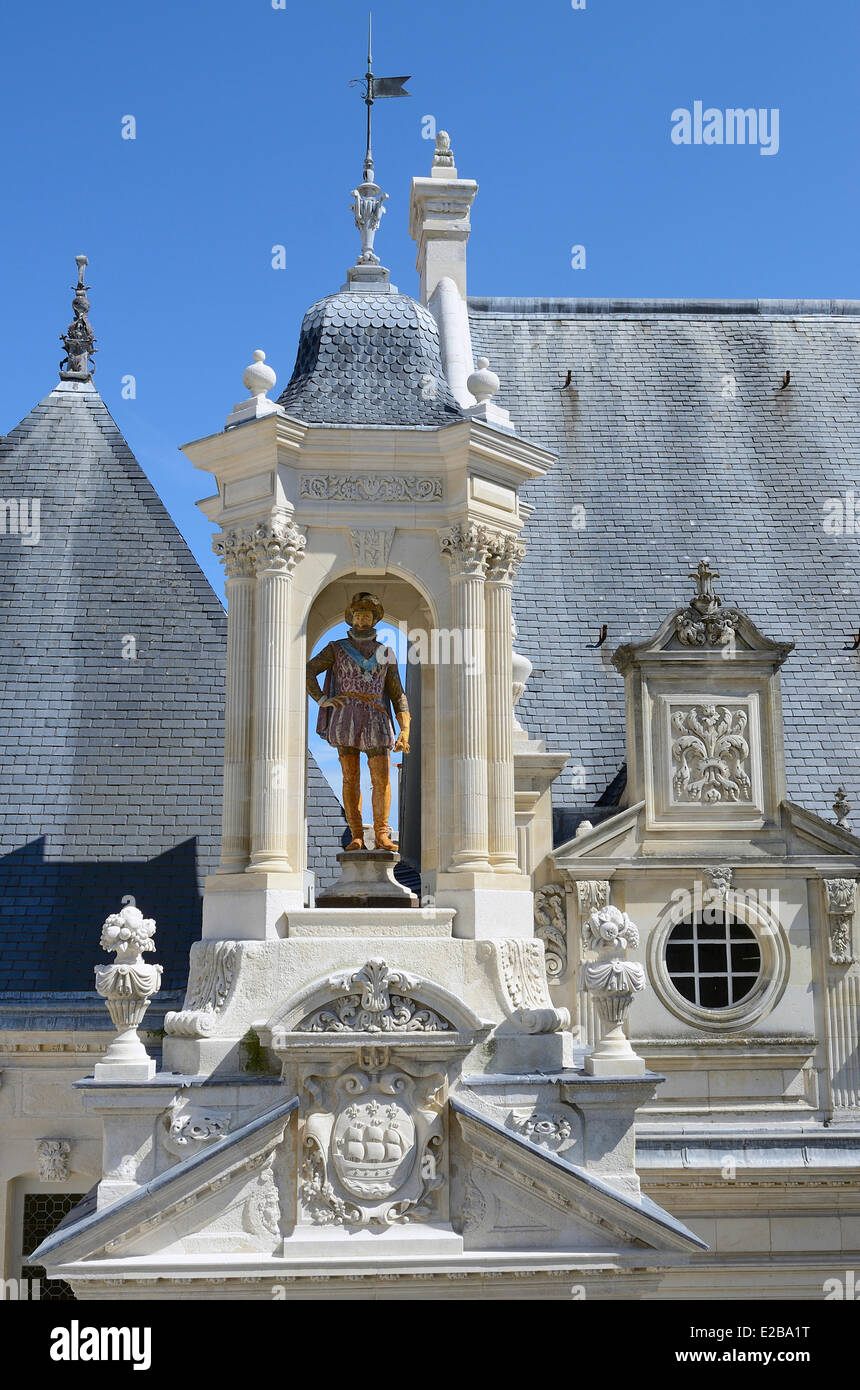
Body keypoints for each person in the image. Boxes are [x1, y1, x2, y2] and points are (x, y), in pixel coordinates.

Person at [306, 592, 410, 852]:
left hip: (377, 717)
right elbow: (308, 670)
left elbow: (398, 693)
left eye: (368, 612)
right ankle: (356, 835)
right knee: (350, 777)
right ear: (351, 617)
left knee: (382, 779)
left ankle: (382, 834)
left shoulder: (386, 653)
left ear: (375, 618)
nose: (362, 616)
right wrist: (321, 699)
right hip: (346, 716)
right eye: (358, 612)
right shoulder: (337, 648)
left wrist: (405, 728)